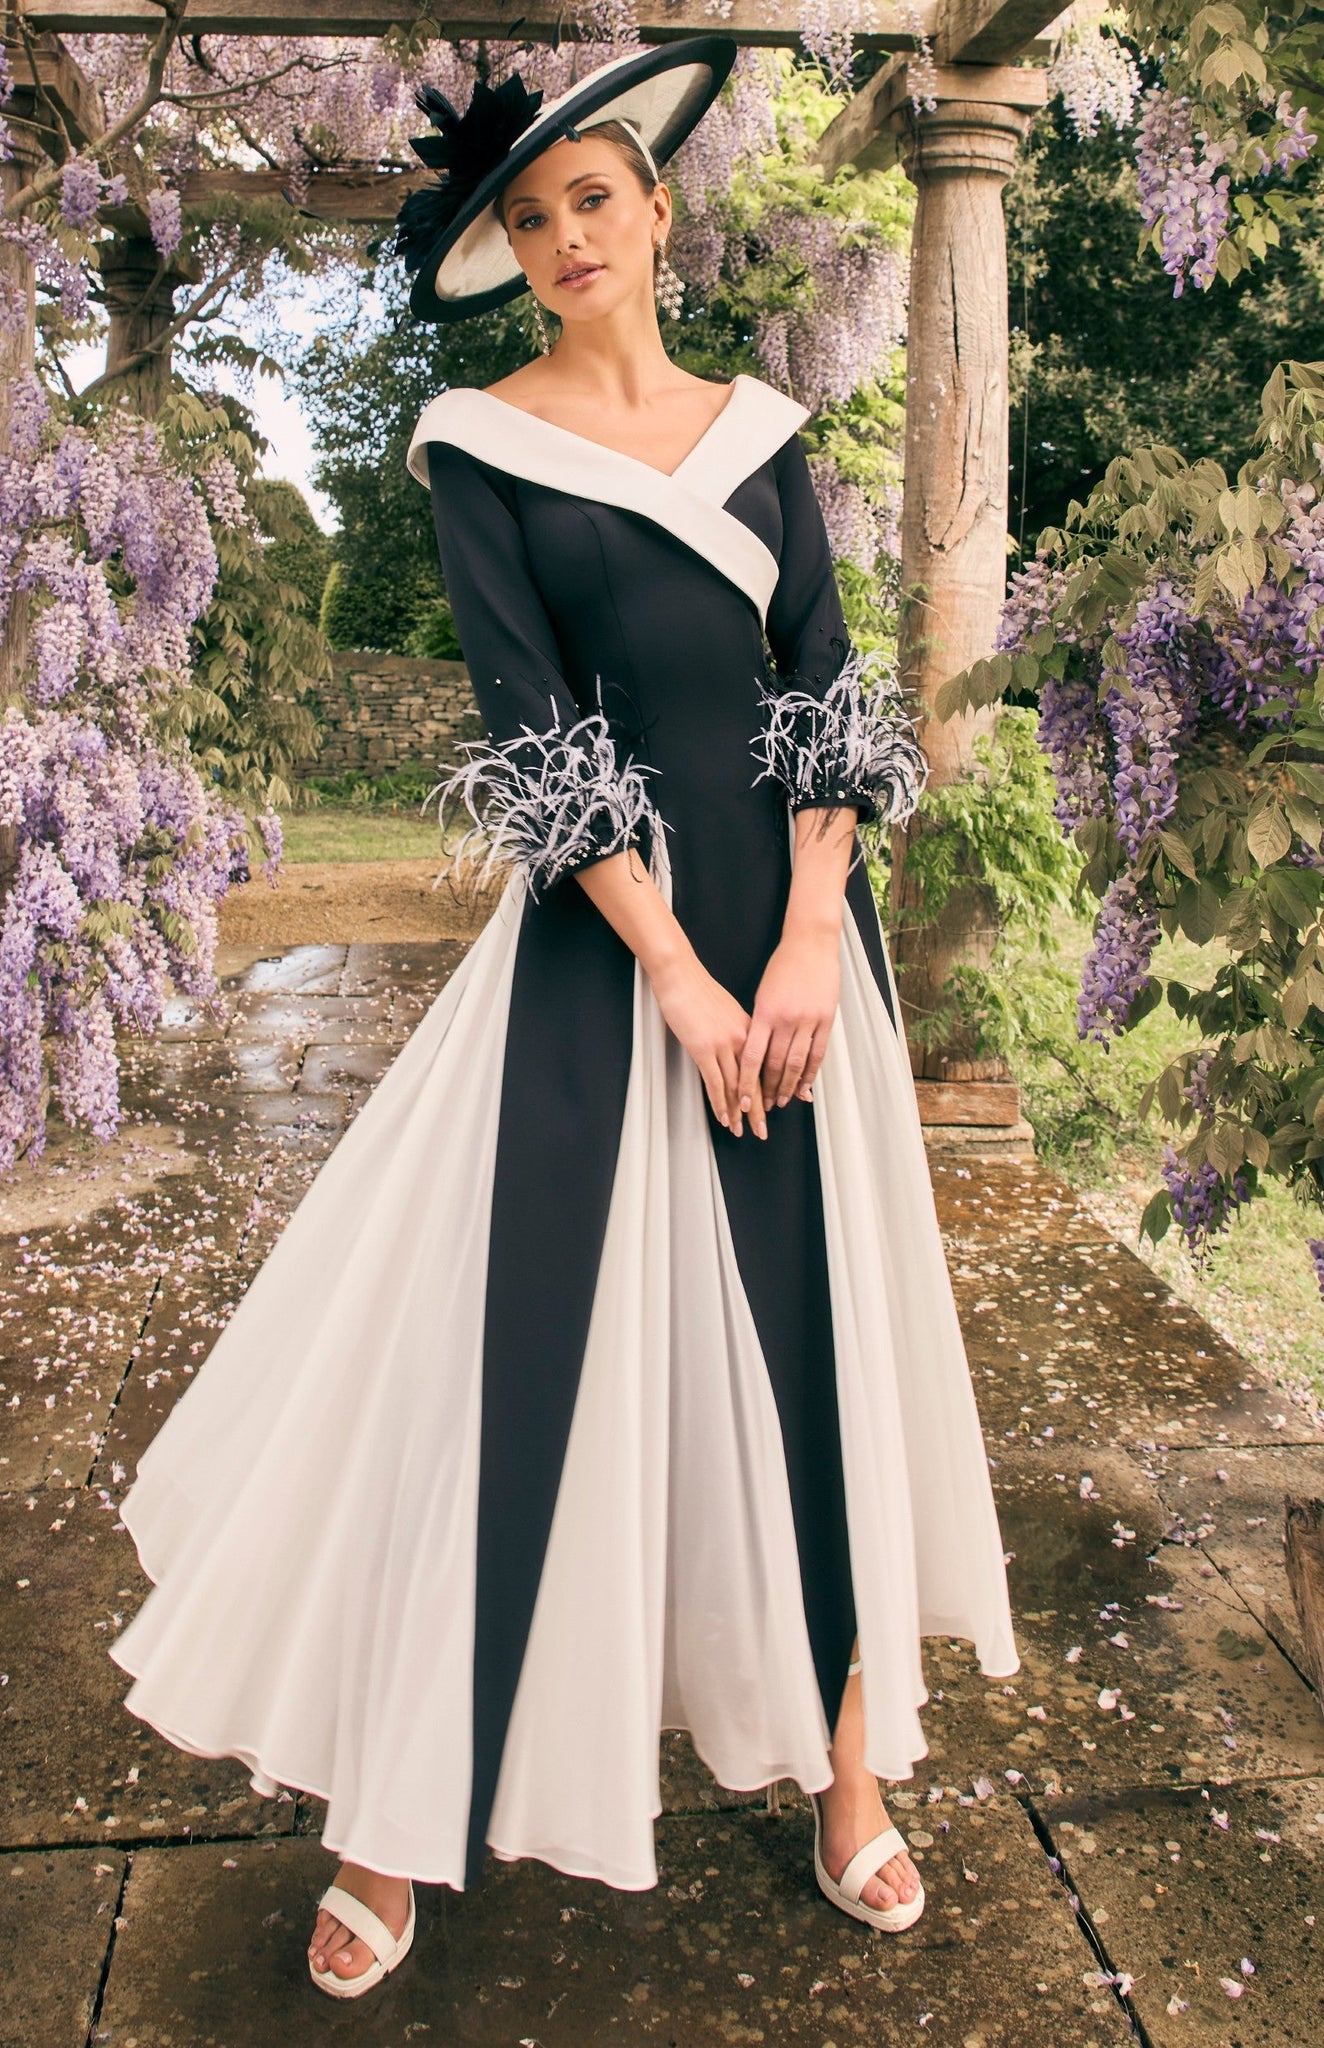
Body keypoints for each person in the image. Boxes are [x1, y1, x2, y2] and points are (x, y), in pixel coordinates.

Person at [108, 35, 1019, 2001]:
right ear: (507, 253)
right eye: (527, 217)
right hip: (600, 971)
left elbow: (827, 701)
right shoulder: (479, 448)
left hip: (793, 967)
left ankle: (847, 1768)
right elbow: (533, 734)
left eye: (589, 198)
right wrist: (675, 967)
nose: (564, 237)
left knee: (811, 1359)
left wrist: (794, 938)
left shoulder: (761, 433)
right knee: (495, 1367)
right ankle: (397, 1809)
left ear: (657, 207)